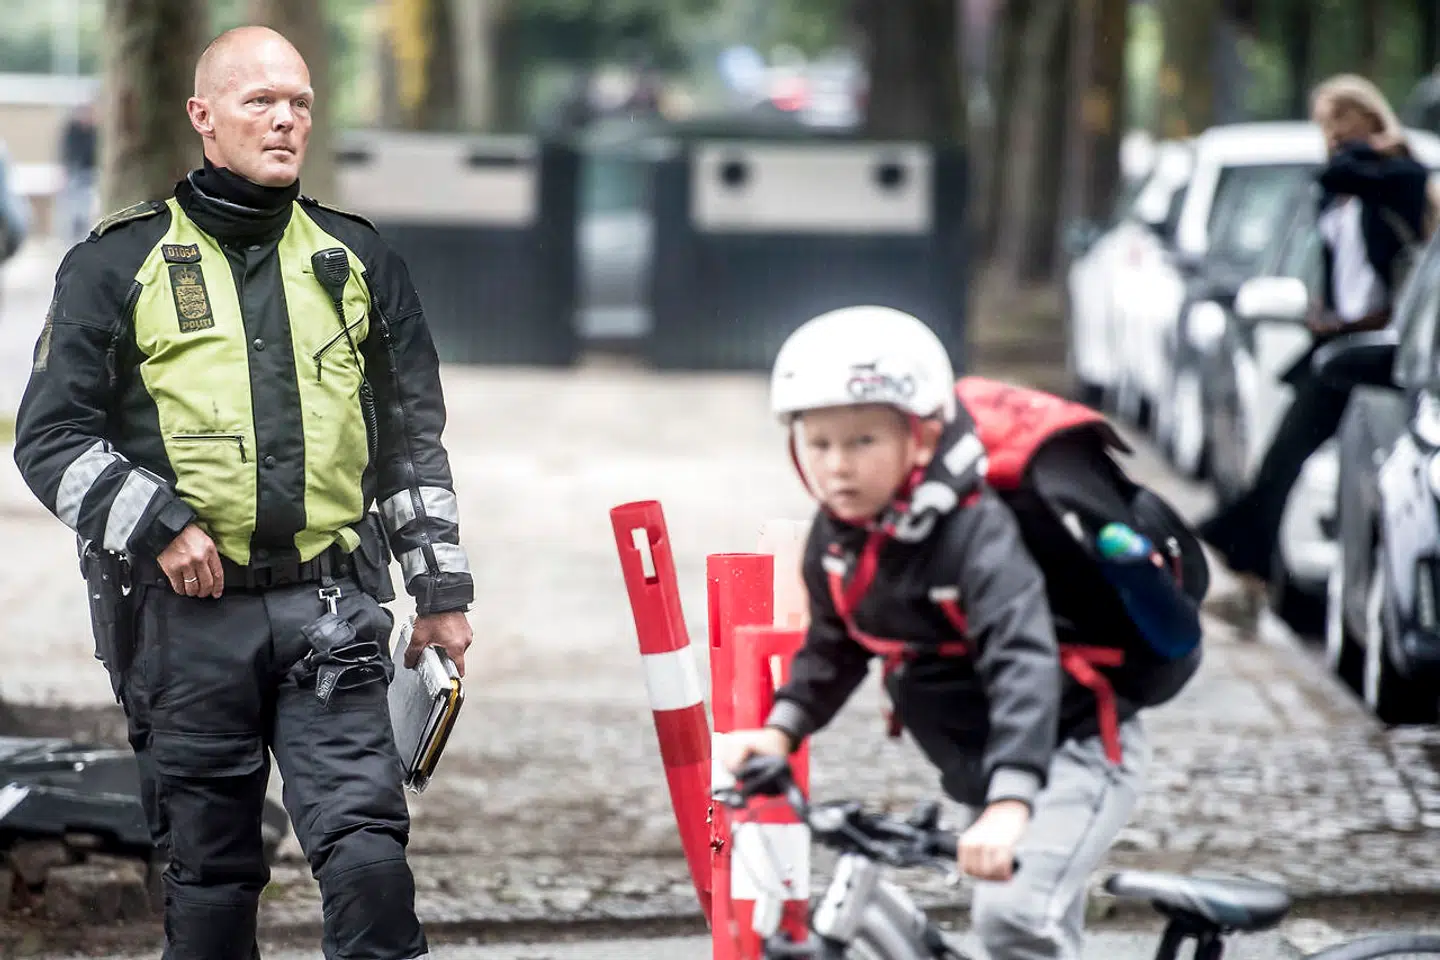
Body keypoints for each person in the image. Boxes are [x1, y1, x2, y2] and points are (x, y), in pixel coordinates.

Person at [12, 25, 472, 960]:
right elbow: (51, 439)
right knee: (212, 883)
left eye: (299, 102)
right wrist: (161, 525)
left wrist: (441, 593)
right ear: (202, 115)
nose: (285, 119)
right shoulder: (116, 263)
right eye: (259, 100)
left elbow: (410, 447)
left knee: (369, 860)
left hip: (332, 613)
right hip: (184, 625)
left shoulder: (358, 261)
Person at [719, 306, 1161, 960]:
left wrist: (1011, 801)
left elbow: (1022, 662)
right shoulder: (842, 538)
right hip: (982, 762)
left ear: (922, 439)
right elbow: (835, 645)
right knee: (1035, 933)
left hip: (1073, 752)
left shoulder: (975, 533)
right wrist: (781, 730)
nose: (837, 466)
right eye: (819, 443)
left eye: (862, 442)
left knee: (1012, 917)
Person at [1198, 74, 1439, 612]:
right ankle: (1249, 566)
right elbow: (1333, 212)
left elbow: (1356, 178)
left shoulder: (1401, 173)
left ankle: (1238, 554)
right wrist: (1319, 308)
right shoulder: (1340, 188)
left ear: (1367, 117)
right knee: (1281, 456)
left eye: (1337, 121)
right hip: (1336, 339)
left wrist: (1369, 150)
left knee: (1298, 459)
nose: (1329, 134)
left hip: (1381, 341)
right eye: (1323, 124)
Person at [58, 98, 97, 244]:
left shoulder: (93, 132)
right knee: (72, 212)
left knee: (86, 212)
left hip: (89, 174)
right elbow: (66, 153)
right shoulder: (72, 131)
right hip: (74, 174)